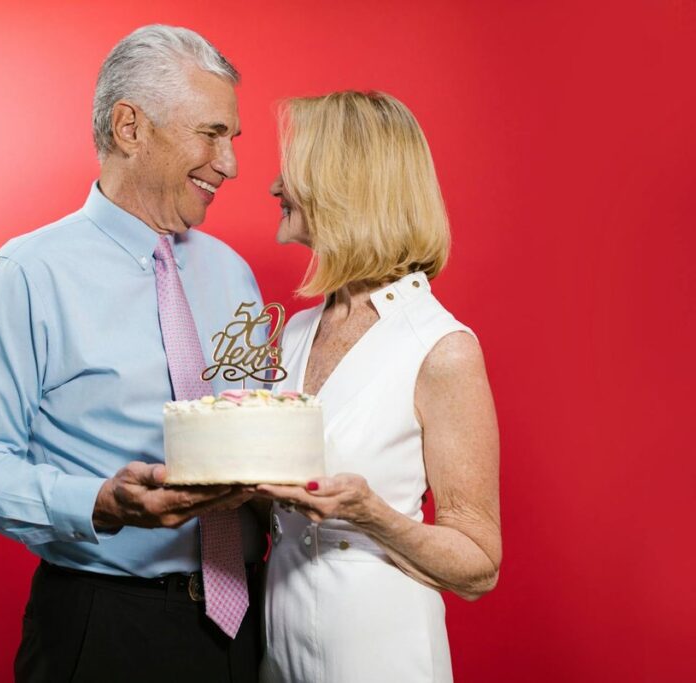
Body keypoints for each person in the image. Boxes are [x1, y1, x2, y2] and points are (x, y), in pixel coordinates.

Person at [0, 25, 265, 683]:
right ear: (131, 128)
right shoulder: (27, 275)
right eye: (212, 133)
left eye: (233, 139)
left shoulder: (234, 273)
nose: (230, 165)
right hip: (106, 629)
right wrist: (96, 501)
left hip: (245, 627)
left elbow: (259, 428)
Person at [256, 91, 502, 682]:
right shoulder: (295, 331)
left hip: (381, 654)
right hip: (278, 647)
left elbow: (480, 564)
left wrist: (372, 514)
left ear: (347, 184)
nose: (273, 186)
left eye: (295, 167)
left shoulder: (441, 347)